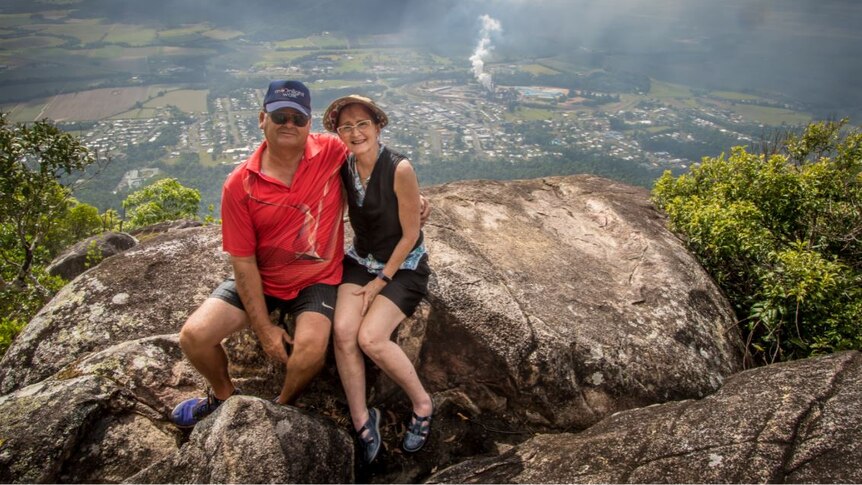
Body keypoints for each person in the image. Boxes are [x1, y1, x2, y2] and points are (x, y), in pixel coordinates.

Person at [169, 81, 427, 428]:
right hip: (263, 276)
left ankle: (281, 406)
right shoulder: (241, 183)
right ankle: (223, 397)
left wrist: (417, 202)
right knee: (195, 337)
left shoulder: (331, 151)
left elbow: (379, 162)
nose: (289, 124)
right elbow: (243, 262)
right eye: (280, 116)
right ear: (263, 119)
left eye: (298, 118)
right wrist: (264, 329)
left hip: (316, 279)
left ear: (309, 124)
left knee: (310, 349)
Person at [323, 95, 433, 464]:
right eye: (346, 127)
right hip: (360, 260)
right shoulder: (345, 166)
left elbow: (410, 234)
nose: (355, 133)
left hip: (402, 266)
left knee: (370, 337)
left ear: (378, 126)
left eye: (362, 124)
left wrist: (381, 280)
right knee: (342, 333)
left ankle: (422, 404)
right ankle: (361, 418)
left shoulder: (399, 168)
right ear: (339, 133)